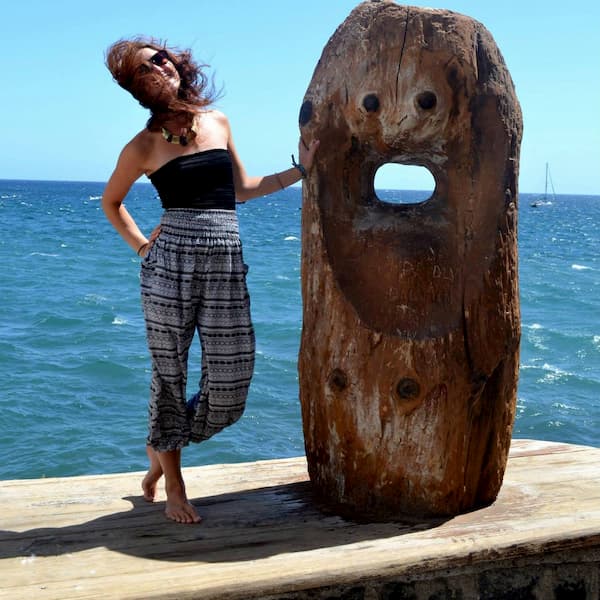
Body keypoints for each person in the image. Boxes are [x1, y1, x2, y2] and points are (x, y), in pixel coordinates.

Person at [102, 37, 319, 524]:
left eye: (162, 57)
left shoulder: (217, 122)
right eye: (147, 66)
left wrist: (300, 169)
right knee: (170, 377)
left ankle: (161, 444)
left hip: (224, 263)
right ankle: (174, 484)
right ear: (137, 86)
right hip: (168, 268)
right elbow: (110, 202)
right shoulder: (141, 146)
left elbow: (241, 190)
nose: (162, 65)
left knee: (232, 384)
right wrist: (142, 246)